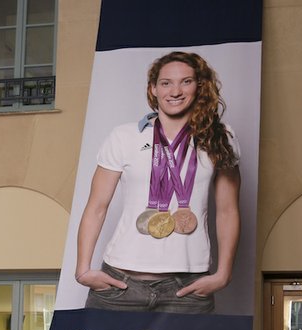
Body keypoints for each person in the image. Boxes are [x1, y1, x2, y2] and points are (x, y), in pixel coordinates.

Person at [75, 51, 240, 313]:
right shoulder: (124, 136)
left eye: (186, 81)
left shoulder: (221, 137)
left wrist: (224, 274)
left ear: (200, 86)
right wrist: (83, 270)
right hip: (120, 285)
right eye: (166, 83)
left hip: (186, 290)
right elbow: (96, 206)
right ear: (153, 89)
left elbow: (228, 210)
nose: (175, 91)